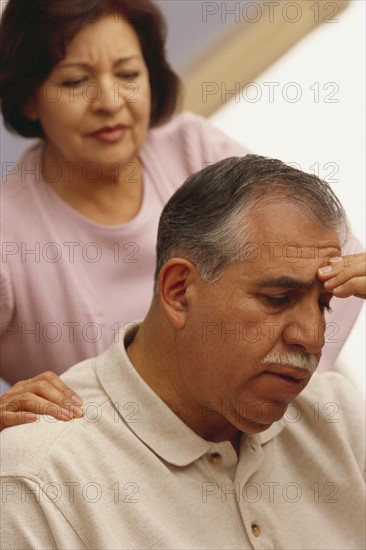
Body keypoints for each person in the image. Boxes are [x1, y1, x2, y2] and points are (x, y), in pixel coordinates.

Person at [0, 0, 363, 429]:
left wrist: (275, 392)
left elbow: (334, 259)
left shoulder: (192, 146)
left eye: (128, 74)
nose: (110, 101)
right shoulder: (9, 234)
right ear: (28, 97)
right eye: (77, 80)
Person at [1, 156, 365, 550]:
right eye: (278, 299)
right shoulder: (39, 481)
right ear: (178, 291)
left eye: (324, 304)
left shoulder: (338, 416)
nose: (312, 337)